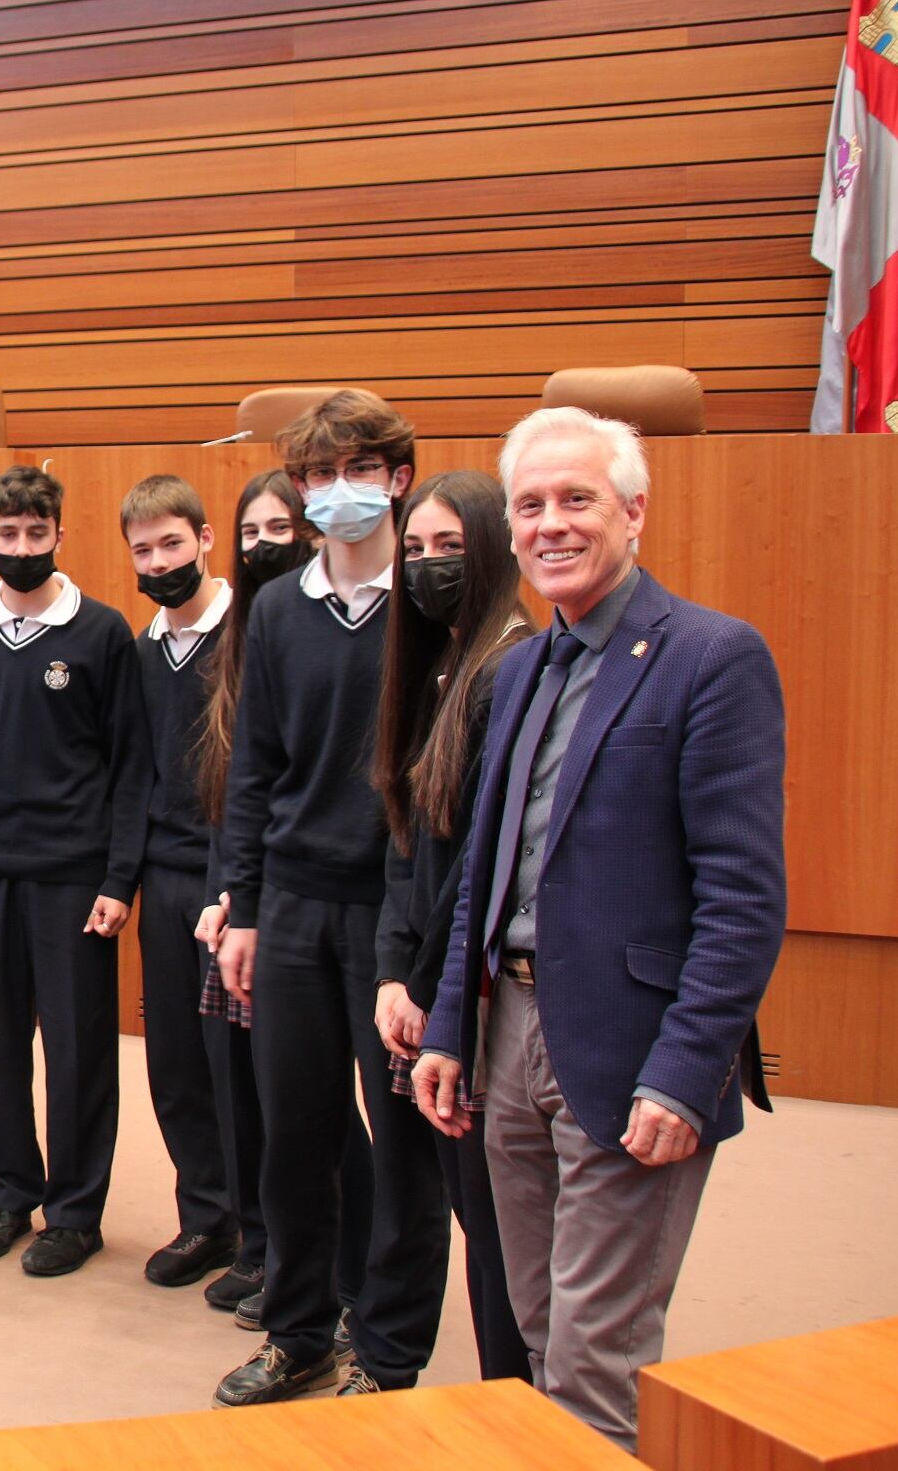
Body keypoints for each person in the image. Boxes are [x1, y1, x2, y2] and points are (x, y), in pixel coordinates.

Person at [413, 407, 784, 1452]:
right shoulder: (523, 667)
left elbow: (743, 896)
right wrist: (451, 1026)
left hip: (632, 1051)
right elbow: (483, 872)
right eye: (530, 506)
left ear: (634, 512)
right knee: (530, 1337)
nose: (551, 524)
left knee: (595, 1357)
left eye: (577, 500)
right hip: (509, 1038)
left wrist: (685, 1071)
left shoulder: (712, 657)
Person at [212, 391, 450, 1405]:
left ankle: (387, 1347)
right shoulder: (275, 609)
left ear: (397, 479)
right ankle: (297, 1329)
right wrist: (244, 905)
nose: (333, 492)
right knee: (294, 1132)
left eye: (356, 471)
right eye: (316, 475)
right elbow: (255, 768)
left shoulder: (433, 601)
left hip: (396, 913)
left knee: (400, 1149)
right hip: (295, 907)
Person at [0, 464, 147, 1278]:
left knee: (79, 1049)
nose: (21, 547)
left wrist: (118, 878)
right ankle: (9, 1191)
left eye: (36, 533)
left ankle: (76, 1211)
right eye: (7, 534)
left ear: (60, 534)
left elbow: (131, 769)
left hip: (74, 878)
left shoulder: (100, 633)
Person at [196, 473, 374, 1335]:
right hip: (269, 889)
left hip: (367, 899)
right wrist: (238, 897)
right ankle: (288, 1290)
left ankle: (365, 1292)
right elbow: (248, 778)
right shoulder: (261, 623)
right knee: (285, 1114)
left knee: (365, 1123)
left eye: (282, 526)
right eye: (252, 529)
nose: (267, 542)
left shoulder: (379, 614)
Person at [370, 471, 532, 1382]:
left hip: (471, 998)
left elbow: (482, 870)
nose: (429, 566)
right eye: (416, 551)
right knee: (474, 1214)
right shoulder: (440, 663)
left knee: (498, 1227)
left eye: (449, 548)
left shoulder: (512, 669)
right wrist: (393, 972)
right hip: (422, 982)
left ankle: (520, 1407)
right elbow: (407, 843)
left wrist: (428, 997)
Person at [116, 475, 241, 1290]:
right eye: (142, 550)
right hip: (162, 878)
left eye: (172, 543)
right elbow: (130, 773)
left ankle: (269, 1235)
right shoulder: (142, 649)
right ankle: (207, 1218)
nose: (160, 561)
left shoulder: (251, 634)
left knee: (239, 1065)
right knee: (175, 1063)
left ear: (203, 539)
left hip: (231, 882)